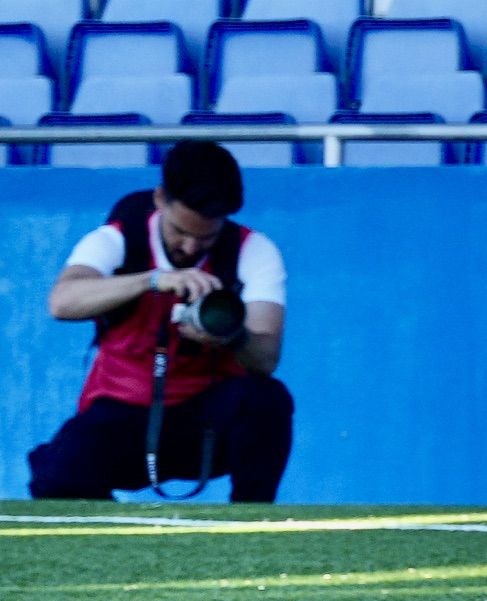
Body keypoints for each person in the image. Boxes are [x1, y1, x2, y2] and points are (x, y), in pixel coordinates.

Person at [28, 141, 294, 505]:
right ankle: (110, 536)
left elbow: (266, 359)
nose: (189, 247)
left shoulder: (252, 250)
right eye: (180, 232)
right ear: (159, 199)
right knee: (57, 476)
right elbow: (61, 303)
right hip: (123, 412)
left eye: (206, 237)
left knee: (268, 400)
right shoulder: (118, 239)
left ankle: (252, 522)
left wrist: (229, 336)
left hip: (205, 421)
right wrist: (151, 280)